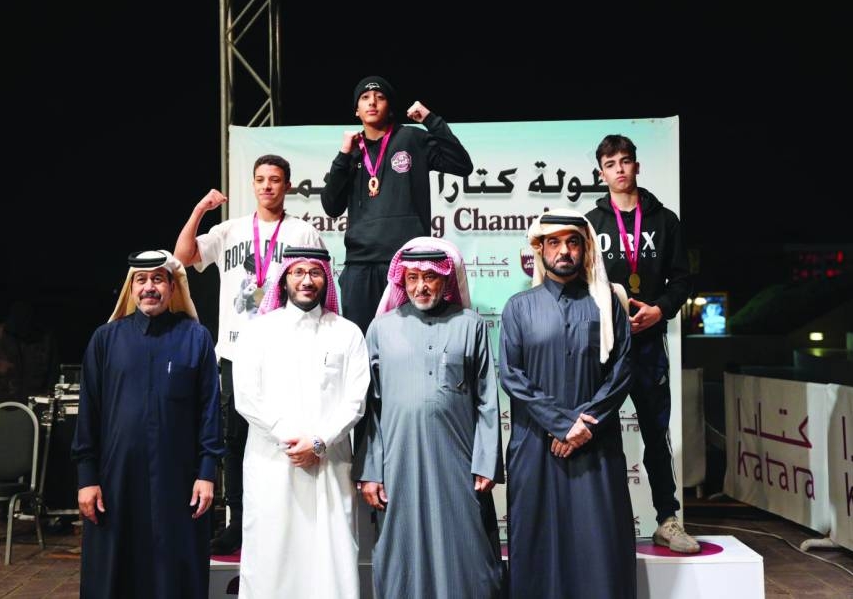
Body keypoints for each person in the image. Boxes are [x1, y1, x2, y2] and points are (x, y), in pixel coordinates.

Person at [175, 154, 324, 554]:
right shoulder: (231, 230)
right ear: (253, 184)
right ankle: (238, 523)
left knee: (285, 437)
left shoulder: (304, 233)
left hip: (287, 353)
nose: (267, 186)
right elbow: (184, 256)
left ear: (287, 185)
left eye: (275, 179)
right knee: (234, 441)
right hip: (236, 354)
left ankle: (286, 521)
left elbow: (323, 287)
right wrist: (199, 210)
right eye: (260, 179)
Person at [354, 236, 504, 598]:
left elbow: (487, 400)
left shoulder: (471, 325)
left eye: (430, 277)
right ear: (401, 282)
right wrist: (371, 470)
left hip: (458, 462)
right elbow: (368, 410)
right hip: (397, 463)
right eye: (412, 278)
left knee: (467, 550)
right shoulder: (381, 329)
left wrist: (486, 462)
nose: (421, 286)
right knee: (401, 552)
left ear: (445, 280)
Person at [500, 209, 636, 599]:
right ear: (539, 249)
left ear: (585, 248)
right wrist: (561, 424)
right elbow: (512, 376)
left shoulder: (608, 303)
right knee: (536, 543)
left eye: (573, 242)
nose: (565, 251)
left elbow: (622, 369)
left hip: (596, 446)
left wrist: (585, 424)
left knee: (600, 546)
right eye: (555, 242)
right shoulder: (518, 307)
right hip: (535, 445)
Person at [72, 250, 223, 598]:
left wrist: (206, 472)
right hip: (115, 483)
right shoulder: (105, 340)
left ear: (172, 287)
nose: (149, 287)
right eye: (141, 279)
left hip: (180, 483)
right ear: (131, 287)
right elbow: (88, 413)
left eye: (158, 279)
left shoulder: (195, 338)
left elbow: (210, 412)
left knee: (176, 573)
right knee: (114, 573)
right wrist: (87, 479)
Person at [232, 246, 369, 599]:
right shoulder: (259, 331)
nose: (307, 280)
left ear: (326, 279)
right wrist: (288, 439)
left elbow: (356, 400)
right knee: (271, 559)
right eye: (298, 272)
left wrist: (319, 442)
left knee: (331, 558)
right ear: (285, 279)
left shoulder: (348, 333)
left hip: (329, 465)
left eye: (315, 273)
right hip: (272, 463)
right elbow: (246, 396)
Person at [585, 134, 698, 553]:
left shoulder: (665, 221)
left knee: (655, 435)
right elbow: (582, 282)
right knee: (597, 434)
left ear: (637, 166)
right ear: (601, 172)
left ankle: (667, 520)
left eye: (625, 161)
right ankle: (601, 524)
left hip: (648, 344)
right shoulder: (591, 224)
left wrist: (660, 310)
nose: (619, 169)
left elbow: (683, 279)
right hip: (606, 347)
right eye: (610, 163)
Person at [320, 75, 473, 334]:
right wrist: (343, 155)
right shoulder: (353, 151)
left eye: (380, 98)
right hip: (361, 264)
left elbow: (462, 165)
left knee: (410, 341)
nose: (372, 103)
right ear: (356, 110)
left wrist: (430, 120)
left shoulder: (412, 139)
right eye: (365, 98)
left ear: (389, 107)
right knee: (362, 342)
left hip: (407, 263)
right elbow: (331, 206)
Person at [0, 299, 59, 404]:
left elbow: (53, 373)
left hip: (37, 405)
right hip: (3, 405)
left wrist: (45, 398)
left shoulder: (45, 337)